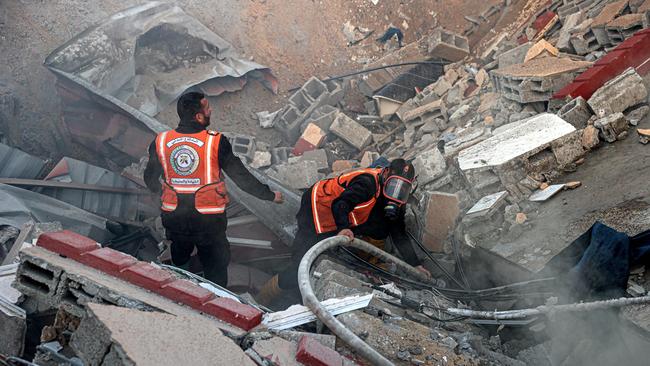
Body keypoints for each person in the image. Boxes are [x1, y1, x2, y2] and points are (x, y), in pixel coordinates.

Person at [144, 92, 283, 286]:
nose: (211, 111)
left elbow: (149, 178)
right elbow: (240, 177)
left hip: (175, 219)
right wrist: (269, 195)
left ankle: (179, 290)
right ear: (199, 117)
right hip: (208, 222)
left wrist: (166, 194)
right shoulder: (215, 142)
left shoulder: (161, 141)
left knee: (179, 257)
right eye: (207, 108)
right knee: (216, 265)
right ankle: (215, 297)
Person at [257, 158, 431, 304]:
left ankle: (369, 262)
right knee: (300, 264)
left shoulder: (396, 198)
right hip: (318, 208)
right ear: (386, 174)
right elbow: (341, 204)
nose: (397, 193)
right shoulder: (367, 183)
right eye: (394, 185)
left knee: (385, 224)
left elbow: (398, 231)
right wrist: (343, 228)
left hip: (345, 212)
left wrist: (415, 264)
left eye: (403, 188)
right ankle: (263, 298)